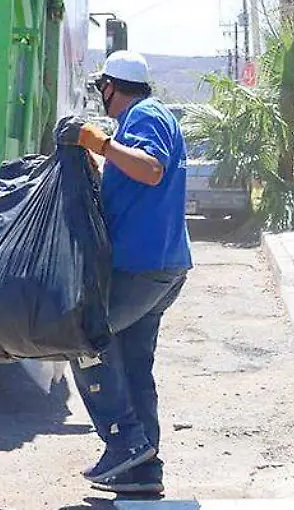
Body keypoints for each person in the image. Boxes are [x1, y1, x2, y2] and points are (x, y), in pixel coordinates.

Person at [61, 50, 193, 497]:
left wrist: (97, 143)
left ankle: (123, 443)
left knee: (83, 338)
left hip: (144, 267)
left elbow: (152, 170)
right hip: (157, 266)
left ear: (110, 88)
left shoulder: (144, 115)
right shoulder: (143, 120)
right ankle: (143, 468)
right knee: (134, 362)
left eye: (102, 90)